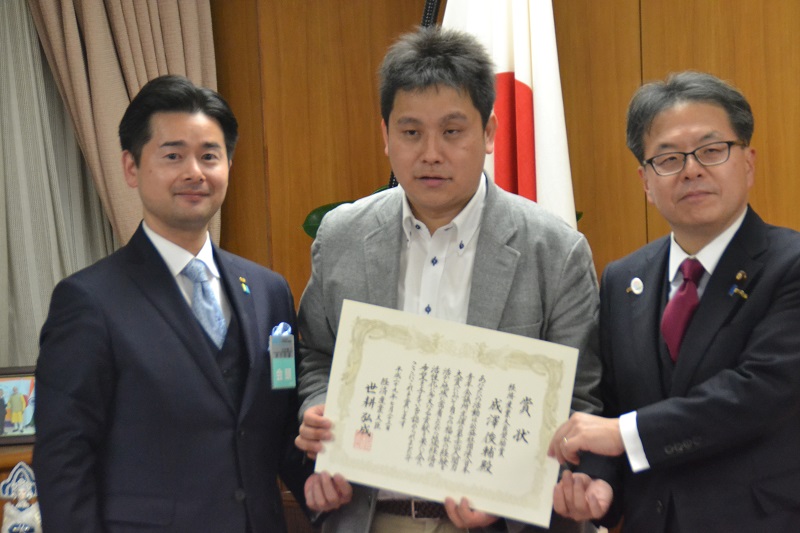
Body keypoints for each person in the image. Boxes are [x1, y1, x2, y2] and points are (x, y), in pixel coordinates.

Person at [295, 26, 602, 533]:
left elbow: (578, 403)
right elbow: (316, 354)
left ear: (489, 132)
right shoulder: (342, 236)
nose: (431, 153)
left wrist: (509, 495)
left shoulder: (554, 251)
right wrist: (320, 408)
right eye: (411, 132)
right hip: (373, 516)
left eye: (453, 131)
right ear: (385, 135)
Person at [34, 75, 312, 533]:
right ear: (131, 167)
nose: (194, 172)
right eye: (173, 156)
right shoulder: (88, 302)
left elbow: (281, 429)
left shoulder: (269, 291)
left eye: (209, 156)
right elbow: (64, 460)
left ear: (229, 165)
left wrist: (327, 490)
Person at [547, 71, 800, 532]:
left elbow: (757, 392)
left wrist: (624, 435)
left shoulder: (790, 265)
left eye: (711, 150)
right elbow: (610, 403)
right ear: (645, 181)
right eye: (668, 159)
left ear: (748, 163)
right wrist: (600, 484)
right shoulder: (622, 279)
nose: (691, 170)